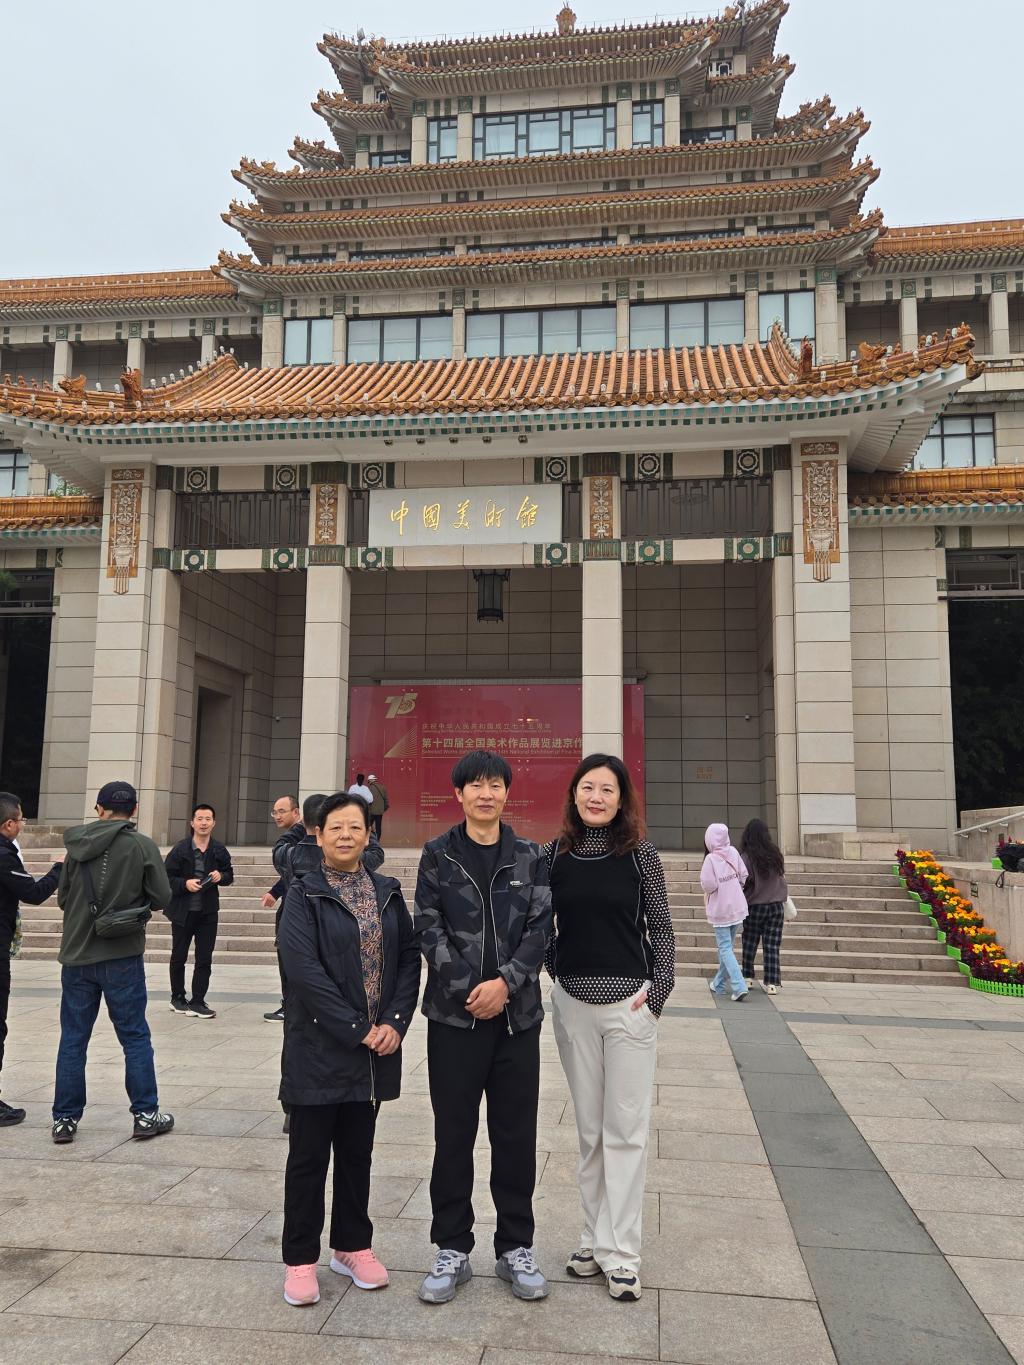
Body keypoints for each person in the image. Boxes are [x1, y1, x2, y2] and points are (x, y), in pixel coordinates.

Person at [415, 749, 552, 1305]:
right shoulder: (438, 854)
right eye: (476, 785)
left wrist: (506, 985)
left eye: (495, 785)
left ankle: (515, 1246)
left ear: (506, 793)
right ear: (459, 793)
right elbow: (427, 927)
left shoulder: (530, 856)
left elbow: (542, 929)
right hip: (455, 1020)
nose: (486, 794)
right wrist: (471, 989)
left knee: (515, 1136)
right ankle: (452, 1246)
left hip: (517, 1022)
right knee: (453, 1135)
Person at [277, 791, 420, 1308]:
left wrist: (395, 1023)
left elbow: (409, 959)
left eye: (354, 827)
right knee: (309, 1158)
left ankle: (352, 1246)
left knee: (358, 1154)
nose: (345, 835)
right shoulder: (303, 893)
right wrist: (358, 1028)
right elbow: (303, 970)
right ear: (318, 835)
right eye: (335, 826)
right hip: (319, 1048)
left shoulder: (386, 891)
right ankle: (300, 1258)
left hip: (373, 1051)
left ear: (368, 834)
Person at [544, 754, 674, 1303]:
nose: (596, 797)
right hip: (573, 1006)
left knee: (625, 1131)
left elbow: (662, 928)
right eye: (588, 788)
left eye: (607, 789)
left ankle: (622, 1254)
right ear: (574, 794)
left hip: (629, 1009)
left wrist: (657, 996)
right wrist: (557, 972)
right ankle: (591, 1239)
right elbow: (541, 924)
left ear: (622, 800)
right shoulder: (554, 854)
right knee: (590, 1132)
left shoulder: (640, 854)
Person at [51, 780, 175, 1144]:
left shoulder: (76, 846)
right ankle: (146, 1115)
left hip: (77, 954)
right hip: (122, 954)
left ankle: (64, 1119)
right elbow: (162, 896)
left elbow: (63, 899)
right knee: (134, 1036)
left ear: (99, 809)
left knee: (73, 1038)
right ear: (134, 810)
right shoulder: (142, 845)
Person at [0, 791, 62, 1127]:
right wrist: (59, 870)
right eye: (21, 819)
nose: (23, 824)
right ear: (8, 824)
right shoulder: (4, 856)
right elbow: (34, 893)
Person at [163, 803, 234, 1019]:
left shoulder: (219, 849)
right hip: (183, 912)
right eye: (200, 819)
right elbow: (166, 878)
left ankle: (198, 1001)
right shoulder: (180, 850)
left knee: (204, 958)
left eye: (208, 819)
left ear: (214, 823)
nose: (204, 823)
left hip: (208, 912)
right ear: (192, 823)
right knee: (179, 955)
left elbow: (229, 875)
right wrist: (185, 884)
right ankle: (177, 997)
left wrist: (221, 877)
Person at [263, 794, 304, 1022]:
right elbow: (291, 873)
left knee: (289, 959)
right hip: (290, 902)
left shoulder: (298, 836)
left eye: (282, 811)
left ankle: (291, 1006)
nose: (277, 816)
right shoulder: (297, 836)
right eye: (275, 812)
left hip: (294, 908)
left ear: (296, 812)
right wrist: (275, 892)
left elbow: (295, 870)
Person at [739, 819, 789, 996]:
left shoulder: (746, 857)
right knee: (772, 945)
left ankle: (747, 977)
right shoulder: (776, 854)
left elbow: (743, 882)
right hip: (776, 906)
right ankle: (772, 983)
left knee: (750, 942)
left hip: (755, 906)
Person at [701, 823, 749, 1003]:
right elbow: (744, 875)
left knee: (725, 948)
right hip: (737, 907)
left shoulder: (710, 859)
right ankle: (718, 983)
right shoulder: (734, 852)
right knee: (727, 948)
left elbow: (708, 885)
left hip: (721, 909)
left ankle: (739, 985)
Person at [366, 774, 389, 840]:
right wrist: (383, 809)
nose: (368, 783)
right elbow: (386, 800)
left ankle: (368, 840)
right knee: (378, 827)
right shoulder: (382, 787)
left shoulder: (369, 789)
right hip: (379, 812)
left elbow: (367, 800)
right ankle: (377, 841)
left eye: (368, 781)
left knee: (368, 826)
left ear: (371, 780)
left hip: (371, 812)